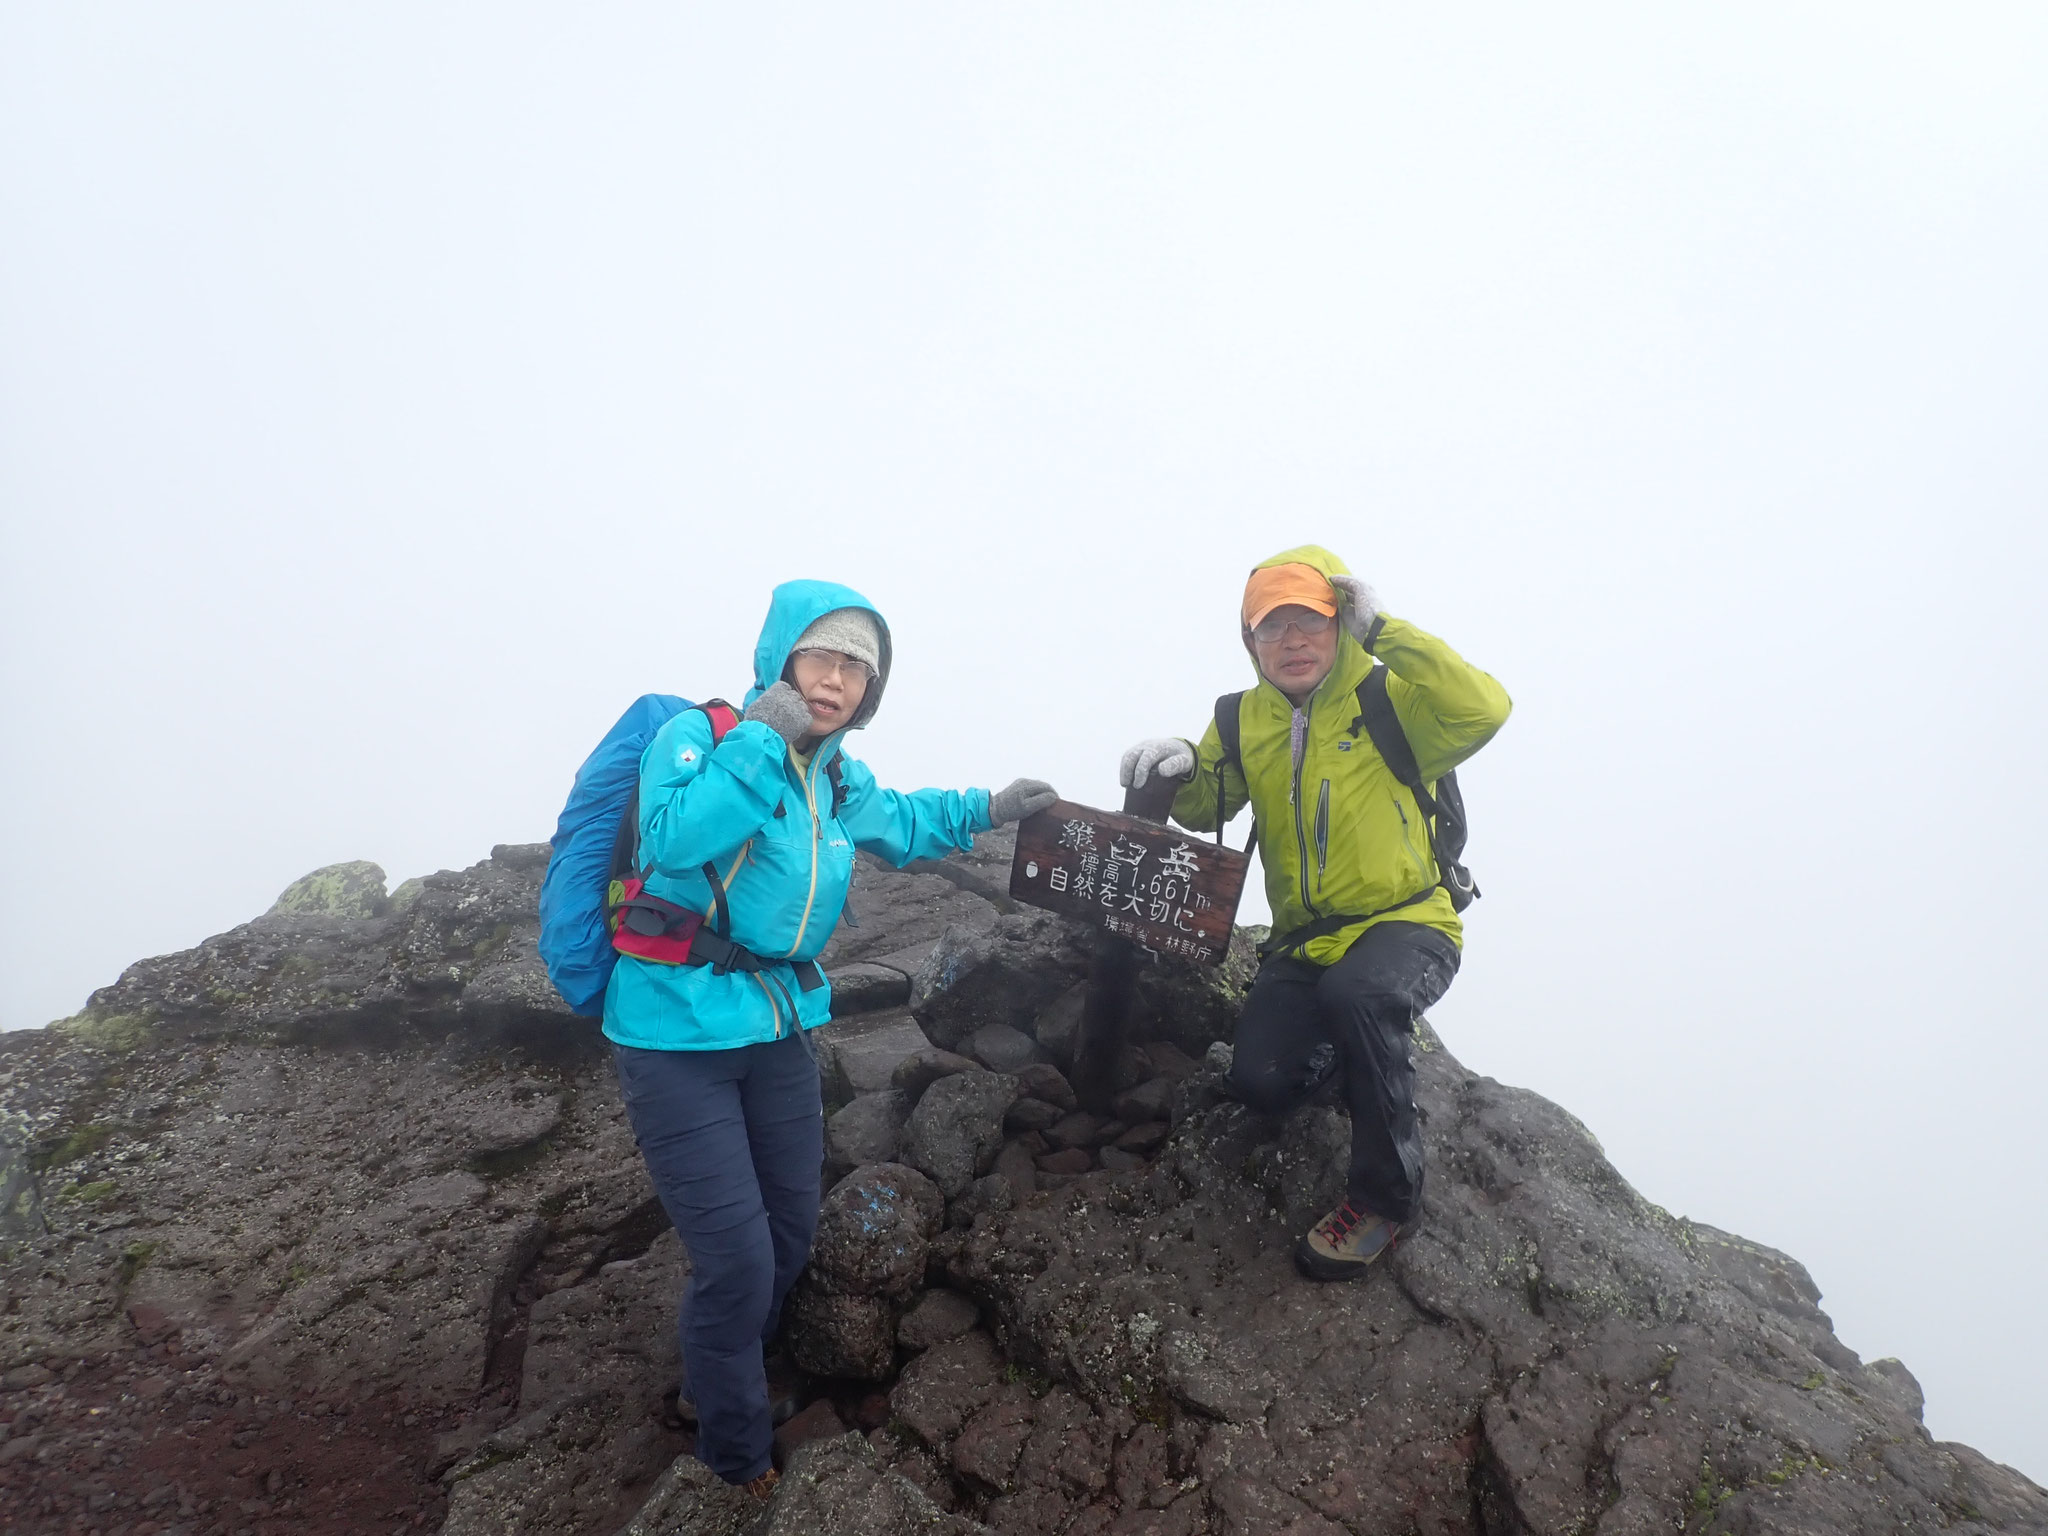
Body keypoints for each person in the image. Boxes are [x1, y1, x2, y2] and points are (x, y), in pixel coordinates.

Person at [606, 578, 1056, 1496]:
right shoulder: (702, 737)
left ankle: (719, 1371)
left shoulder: (839, 779)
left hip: (774, 1026)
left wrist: (993, 807)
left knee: (790, 1230)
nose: (837, 679)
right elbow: (676, 840)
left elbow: (911, 822)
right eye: (823, 655)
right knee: (735, 1260)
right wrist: (765, 741)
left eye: (858, 667)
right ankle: (733, 1458)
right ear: (783, 657)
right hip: (672, 1029)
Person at [1118, 545, 1509, 1281]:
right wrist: (1177, 763)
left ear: (1342, 627)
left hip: (1408, 920)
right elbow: (1207, 805)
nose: (1293, 642)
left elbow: (1486, 708)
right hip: (1305, 940)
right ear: (1250, 643)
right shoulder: (1240, 720)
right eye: (1272, 628)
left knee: (1359, 996)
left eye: (1312, 621)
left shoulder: (1391, 702)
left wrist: (1385, 629)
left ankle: (1387, 1201)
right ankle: (1355, 1054)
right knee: (1260, 1085)